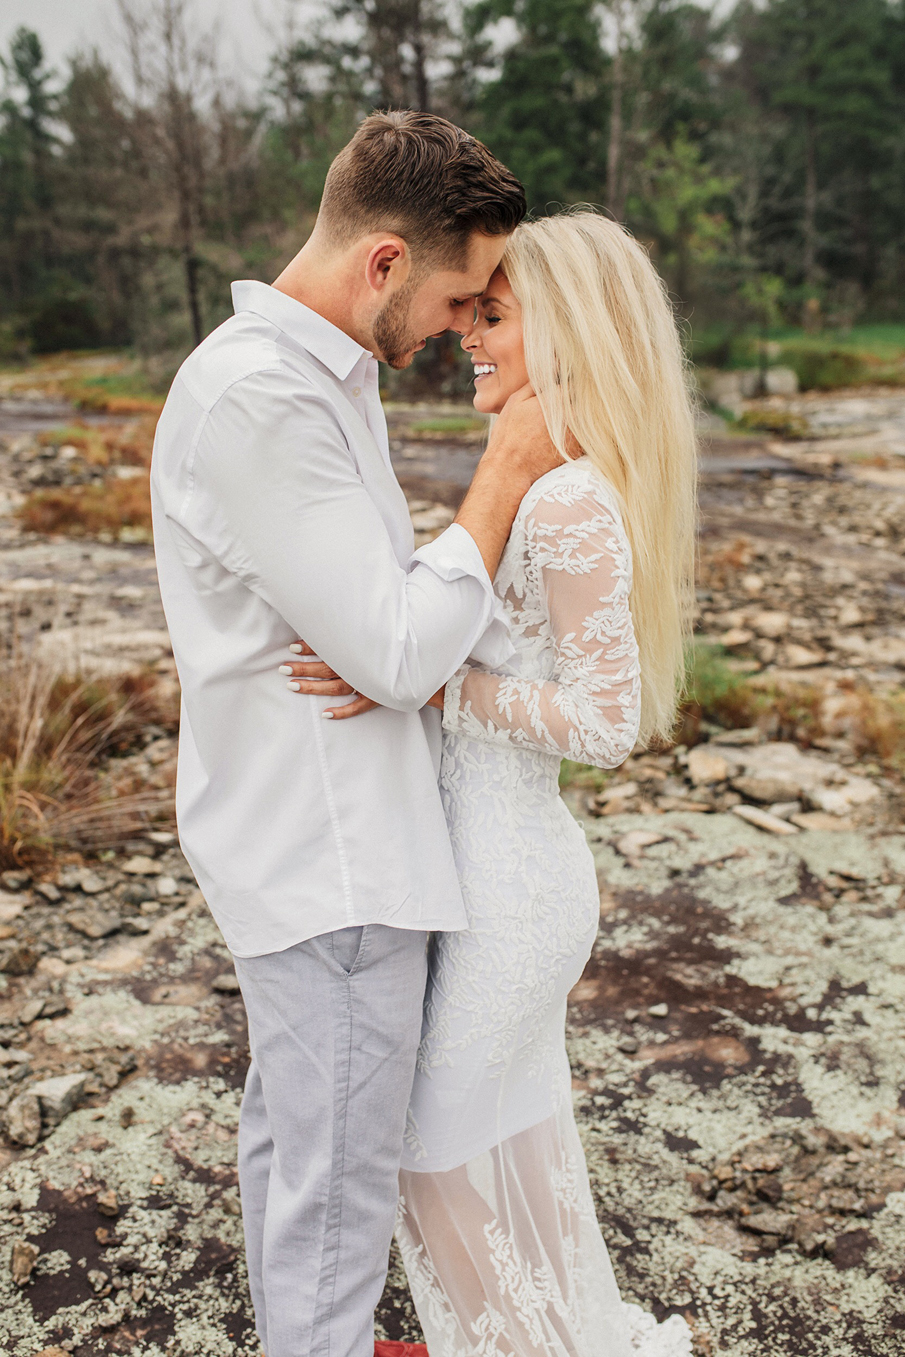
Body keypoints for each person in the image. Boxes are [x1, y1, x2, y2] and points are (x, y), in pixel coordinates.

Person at [151, 110, 563, 1357]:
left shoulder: (318, 378)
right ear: (383, 262)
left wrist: (393, 627)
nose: (454, 329)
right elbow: (390, 650)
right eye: (452, 297)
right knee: (337, 1174)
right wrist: (501, 477)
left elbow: (380, 629)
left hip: (323, 835)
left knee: (301, 1135)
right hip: (329, 854)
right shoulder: (261, 398)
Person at [285, 210, 698, 1355]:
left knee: (429, 1162)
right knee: (503, 1156)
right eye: (471, 310)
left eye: (494, 316)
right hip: (486, 882)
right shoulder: (541, 479)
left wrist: (423, 688)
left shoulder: (568, 502)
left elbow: (609, 721)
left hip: (513, 892)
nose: (470, 333)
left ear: (562, 340)